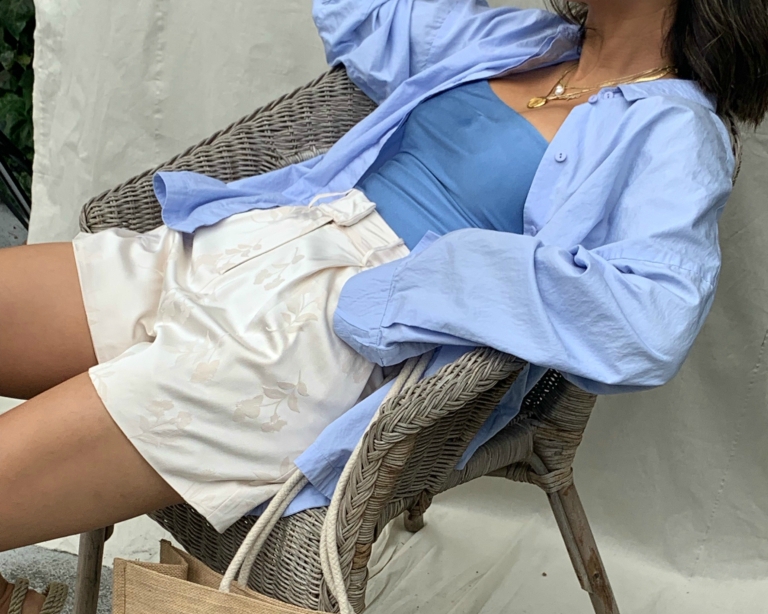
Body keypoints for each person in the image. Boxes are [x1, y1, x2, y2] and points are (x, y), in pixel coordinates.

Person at [1, 0, 767, 611]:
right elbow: (358, 14)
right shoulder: (522, 38)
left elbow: (648, 315)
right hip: (238, 245)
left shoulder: (676, 130)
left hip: (314, 343)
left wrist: (422, 283)